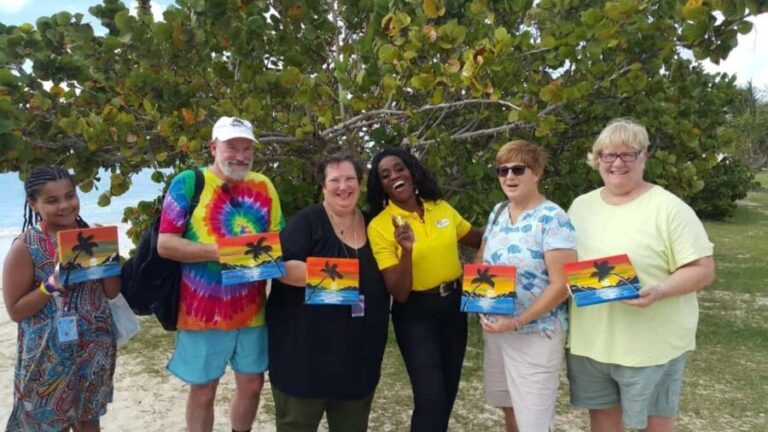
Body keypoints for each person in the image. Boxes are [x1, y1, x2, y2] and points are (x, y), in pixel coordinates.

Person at [567, 118, 715, 432]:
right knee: (603, 425)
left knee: (654, 425)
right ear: (597, 160)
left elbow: (703, 269)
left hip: (651, 345)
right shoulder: (580, 207)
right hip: (592, 344)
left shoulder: (669, 208)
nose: (617, 163)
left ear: (644, 156)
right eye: (608, 155)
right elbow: (565, 266)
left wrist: (659, 291)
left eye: (627, 154)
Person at [157, 116, 284, 432]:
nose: (240, 155)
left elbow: (278, 240)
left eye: (246, 148)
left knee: (253, 384)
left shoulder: (264, 185)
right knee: (203, 390)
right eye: (231, 147)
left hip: (253, 310)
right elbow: (165, 244)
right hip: (203, 311)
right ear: (214, 147)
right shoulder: (188, 182)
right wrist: (222, 251)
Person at [266, 152, 390, 431]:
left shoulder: (375, 224)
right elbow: (278, 265)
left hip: (359, 364)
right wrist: (339, 278)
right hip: (304, 363)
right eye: (335, 180)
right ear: (323, 186)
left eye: (350, 179)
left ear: (360, 183)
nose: (343, 186)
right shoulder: (308, 221)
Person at [366, 147, 483, 432]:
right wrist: (406, 251)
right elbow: (400, 292)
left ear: (412, 171)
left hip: (454, 307)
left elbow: (478, 238)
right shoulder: (381, 226)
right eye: (385, 174)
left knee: (447, 394)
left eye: (399, 168)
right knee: (430, 398)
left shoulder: (440, 207)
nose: (394, 175)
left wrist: (510, 220)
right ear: (381, 186)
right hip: (415, 313)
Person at [3, 165, 120, 431]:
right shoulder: (26, 246)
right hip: (47, 356)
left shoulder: (89, 235)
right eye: (52, 200)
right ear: (33, 204)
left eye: (70, 195)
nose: (65, 205)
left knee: (89, 419)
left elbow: (112, 292)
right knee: (48, 422)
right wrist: (51, 285)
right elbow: (15, 311)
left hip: (94, 348)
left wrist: (109, 256)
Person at [477, 140, 577, 432]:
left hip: (535, 333)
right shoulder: (497, 211)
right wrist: (481, 299)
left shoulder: (553, 218)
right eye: (502, 170)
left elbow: (562, 284)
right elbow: (483, 258)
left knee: (533, 421)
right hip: (498, 329)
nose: (509, 177)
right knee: (510, 409)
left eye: (518, 169)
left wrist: (517, 321)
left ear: (537, 172)